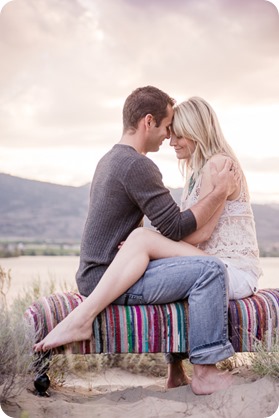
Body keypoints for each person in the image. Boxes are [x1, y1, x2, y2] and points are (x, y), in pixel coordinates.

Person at [34, 86, 237, 395]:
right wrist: (220, 192)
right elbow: (175, 226)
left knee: (178, 261)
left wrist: (136, 243)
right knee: (209, 271)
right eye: (167, 126)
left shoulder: (110, 159)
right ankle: (206, 372)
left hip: (100, 272)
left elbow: (160, 229)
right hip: (112, 278)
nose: (168, 137)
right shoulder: (137, 165)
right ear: (148, 122)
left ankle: (176, 372)